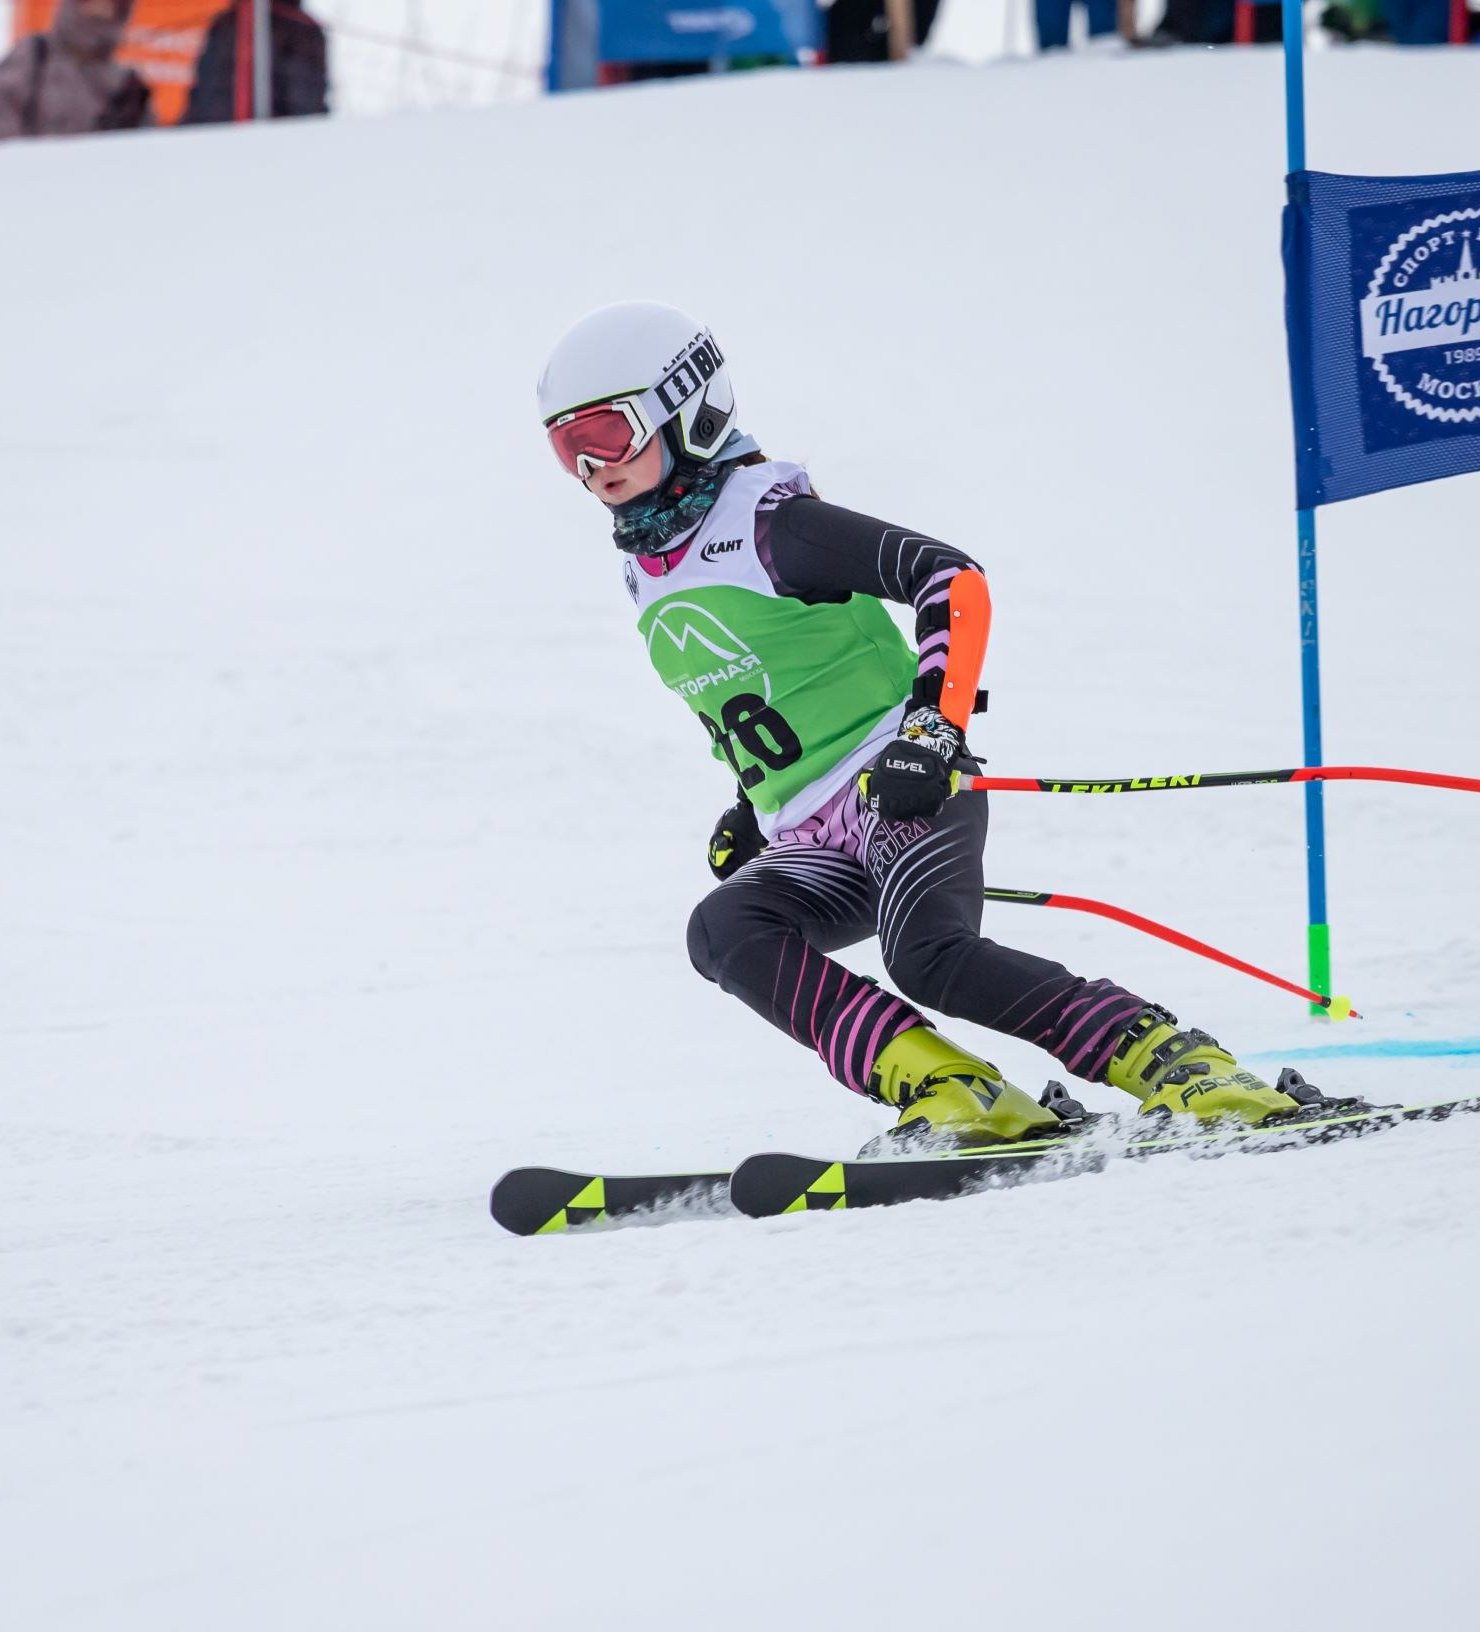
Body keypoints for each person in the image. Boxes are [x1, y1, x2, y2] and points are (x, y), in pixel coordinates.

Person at [535, 303, 1306, 1149]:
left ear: (689, 405)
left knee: (931, 955)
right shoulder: (645, 572)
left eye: (608, 432)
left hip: (896, 786)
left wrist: (932, 732)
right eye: (568, 447)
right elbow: (761, 693)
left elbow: (952, 580)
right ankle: (959, 1092)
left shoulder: (769, 524)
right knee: (725, 930)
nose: (591, 466)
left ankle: (1181, 1065)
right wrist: (750, 808)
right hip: (812, 831)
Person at [0, 0, 152, 143]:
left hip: (92, 187)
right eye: (91, 2)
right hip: (25, 181)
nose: (100, 9)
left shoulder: (127, 84)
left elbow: (137, 155)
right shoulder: (34, 57)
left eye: (110, 4)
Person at [182, 0, 330, 125]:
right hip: (217, 136)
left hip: (280, 138)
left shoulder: (301, 27)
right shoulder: (225, 22)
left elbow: (306, 101)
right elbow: (204, 93)